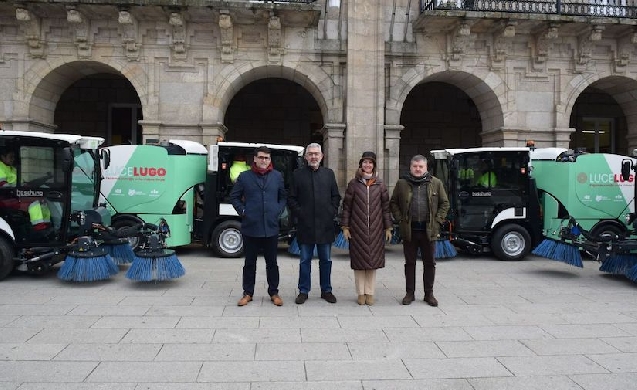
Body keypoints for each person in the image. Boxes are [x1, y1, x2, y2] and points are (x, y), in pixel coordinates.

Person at [230, 146, 287, 307]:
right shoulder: (245, 177)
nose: (263, 160)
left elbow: (283, 196)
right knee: (249, 262)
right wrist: (243, 211)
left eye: (267, 158)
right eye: (261, 157)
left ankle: (274, 292)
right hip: (251, 226)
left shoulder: (277, 176)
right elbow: (234, 197)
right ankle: (248, 293)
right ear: (254, 159)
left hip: (270, 226)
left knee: (272, 263)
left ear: (270, 160)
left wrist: (278, 209)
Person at [390, 154, 450, 306]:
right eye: (415, 166)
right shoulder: (402, 183)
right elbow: (393, 203)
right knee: (410, 263)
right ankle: (409, 293)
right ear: (410, 167)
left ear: (426, 168)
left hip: (428, 230)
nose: (417, 169)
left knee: (429, 263)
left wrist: (437, 221)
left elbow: (445, 204)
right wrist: (400, 219)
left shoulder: (435, 183)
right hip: (409, 230)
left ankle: (429, 294)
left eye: (420, 166)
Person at [288, 143, 341, 304]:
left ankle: (326, 290)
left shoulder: (329, 174)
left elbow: (336, 197)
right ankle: (303, 291)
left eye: (316, 154)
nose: (313, 157)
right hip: (306, 226)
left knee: (326, 260)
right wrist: (301, 213)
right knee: (305, 260)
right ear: (305, 157)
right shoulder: (297, 174)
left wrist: (331, 211)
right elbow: (291, 198)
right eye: (310, 154)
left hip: (325, 226)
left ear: (322, 156)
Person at [340, 151, 392, 305]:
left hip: (375, 230)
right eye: (365, 162)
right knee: (359, 263)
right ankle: (360, 293)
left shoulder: (380, 185)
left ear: (374, 166)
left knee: (372, 263)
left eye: (370, 163)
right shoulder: (353, 184)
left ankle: (370, 292)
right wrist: (345, 226)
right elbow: (347, 207)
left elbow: (385, 208)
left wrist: (388, 227)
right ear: (361, 165)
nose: (367, 165)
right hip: (357, 229)